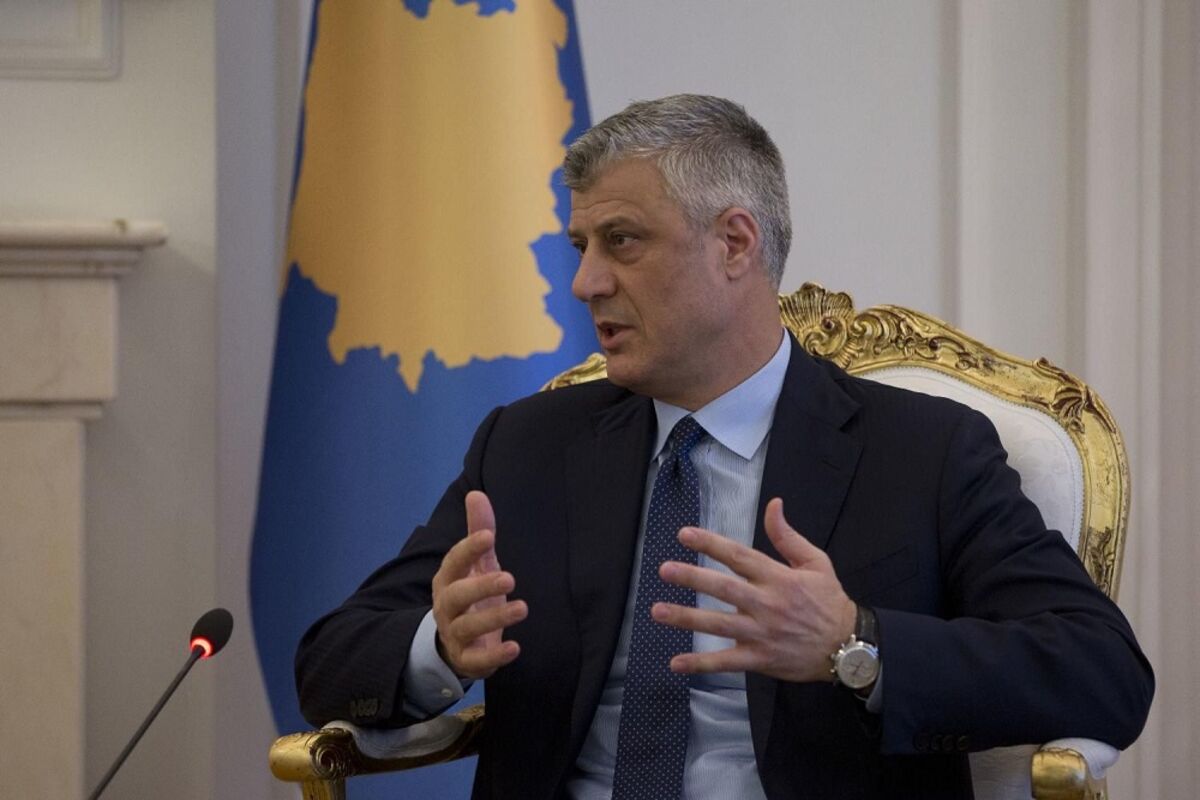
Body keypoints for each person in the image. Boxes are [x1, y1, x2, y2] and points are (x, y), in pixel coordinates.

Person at [295, 94, 1153, 799]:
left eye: (622, 241)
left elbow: (1103, 673)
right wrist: (439, 648)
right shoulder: (529, 445)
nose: (586, 281)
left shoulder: (924, 453)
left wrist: (855, 646)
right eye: (581, 247)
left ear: (735, 243)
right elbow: (330, 660)